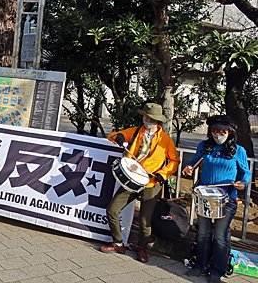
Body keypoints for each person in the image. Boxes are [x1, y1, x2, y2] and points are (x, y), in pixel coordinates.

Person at [99, 103, 180, 262]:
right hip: (132, 178)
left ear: (157, 120)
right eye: (144, 116)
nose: (146, 120)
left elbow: (174, 161)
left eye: (149, 118)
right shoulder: (136, 131)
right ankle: (118, 242)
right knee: (112, 210)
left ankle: (142, 247)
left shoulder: (165, 139)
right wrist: (118, 137)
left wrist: (162, 174)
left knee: (145, 220)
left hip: (151, 182)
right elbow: (113, 135)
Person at [184, 115, 251, 283]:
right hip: (205, 197)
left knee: (221, 235)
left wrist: (242, 184)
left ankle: (217, 270)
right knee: (203, 233)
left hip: (227, 199)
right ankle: (201, 265)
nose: (217, 135)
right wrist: (189, 168)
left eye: (222, 132)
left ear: (230, 132)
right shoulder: (204, 146)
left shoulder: (238, 150)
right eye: (214, 131)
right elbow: (194, 162)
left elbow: (246, 173)